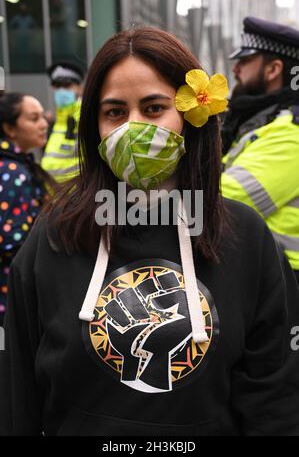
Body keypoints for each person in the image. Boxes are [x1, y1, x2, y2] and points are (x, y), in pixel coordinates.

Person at [1, 27, 299, 437]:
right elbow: (17, 394)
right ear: (96, 126)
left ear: (190, 117)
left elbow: (274, 400)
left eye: (154, 107)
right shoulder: (55, 234)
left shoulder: (245, 236)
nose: (133, 127)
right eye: (115, 112)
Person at [221, 17, 299, 284]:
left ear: (273, 69)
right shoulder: (262, 120)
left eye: (244, 61)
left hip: (288, 284)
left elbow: (224, 202)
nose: (236, 69)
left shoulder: (293, 132)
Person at [0, 93, 55, 326]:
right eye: (34, 118)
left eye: (43, 116)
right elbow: (11, 241)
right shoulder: (13, 171)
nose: (43, 124)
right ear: (10, 129)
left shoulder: (16, 164)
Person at [41, 62, 84, 183]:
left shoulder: (85, 117)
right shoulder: (57, 120)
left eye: (67, 85)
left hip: (76, 196)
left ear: (80, 88)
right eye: (57, 86)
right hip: (55, 196)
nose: (61, 91)